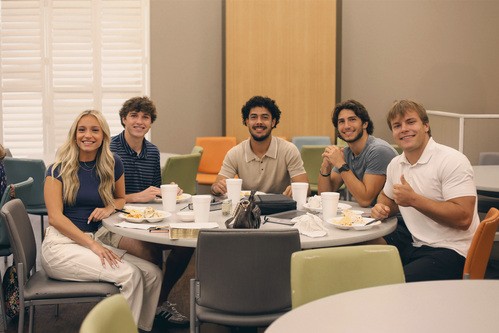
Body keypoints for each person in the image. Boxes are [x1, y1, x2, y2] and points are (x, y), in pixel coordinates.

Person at [41, 110, 162, 331]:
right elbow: (55, 218)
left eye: (95, 130)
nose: (88, 135)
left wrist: (108, 207)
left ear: (104, 135)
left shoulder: (111, 163)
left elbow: (121, 199)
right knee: (131, 275)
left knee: (153, 274)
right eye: (82, 130)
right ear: (74, 134)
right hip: (61, 246)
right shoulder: (57, 169)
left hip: (95, 238)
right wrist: (93, 245)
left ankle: (139, 328)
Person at [101, 96, 192, 327]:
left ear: (151, 122)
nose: (139, 121)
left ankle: (159, 302)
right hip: (115, 223)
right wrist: (135, 197)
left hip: (148, 221)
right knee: (149, 255)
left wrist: (168, 192)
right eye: (134, 116)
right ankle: (146, 308)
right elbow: (102, 199)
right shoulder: (109, 150)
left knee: (187, 244)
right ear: (124, 119)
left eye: (145, 117)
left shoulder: (152, 152)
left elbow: (153, 195)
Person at [371, 100, 479, 282]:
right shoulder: (396, 164)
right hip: (416, 242)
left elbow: (463, 218)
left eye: (411, 122)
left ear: (426, 126)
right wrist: (381, 207)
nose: (404, 129)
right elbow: (386, 197)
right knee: (359, 254)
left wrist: (414, 200)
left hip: (453, 250)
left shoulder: (452, 160)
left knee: (391, 285)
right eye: (397, 125)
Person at [211, 95, 309, 196]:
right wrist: (217, 188)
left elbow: (305, 188)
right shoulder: (235, 153)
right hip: (248, 208)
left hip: (281, 208)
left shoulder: (289, 150)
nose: (259, 122)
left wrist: (297, 190)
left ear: (273, 122)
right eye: (253, 117)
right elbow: (216, 187)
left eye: (265, 117)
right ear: (247, 121)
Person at [318, 99, 398, 207]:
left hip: (396, 220)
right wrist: (325, 166)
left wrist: (341, 164)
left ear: (365, 124)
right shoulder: (346, 153)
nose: (346, 126)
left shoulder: (379, 151)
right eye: (341, 121)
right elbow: (324, 197)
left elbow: (365, 200)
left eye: (352, 119)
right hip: (367, 217)